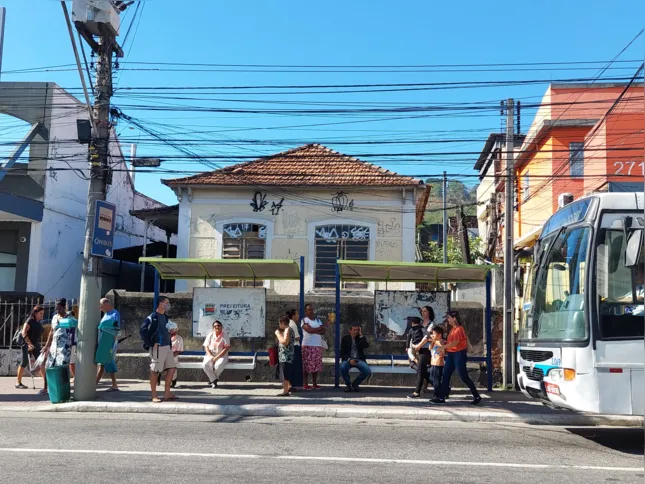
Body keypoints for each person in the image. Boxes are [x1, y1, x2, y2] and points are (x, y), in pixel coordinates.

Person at [431, 310, 482, 405]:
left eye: (449, 318)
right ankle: (441, 397)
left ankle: (476, 396)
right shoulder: (452, 330)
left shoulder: (459, 329)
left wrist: (443, 347)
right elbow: (451, 343)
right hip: (451, 354)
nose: (448, 320)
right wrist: (445, 343)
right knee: (446, 375)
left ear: (454, 318)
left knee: (463, 376)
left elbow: (456, 343)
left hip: (459, 354)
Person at [145, 296, 177, 403]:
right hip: (158, 347)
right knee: (155, 371)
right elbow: (143, 330)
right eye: (166, 302)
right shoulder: (153, 317)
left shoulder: (165, 317)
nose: (168, 305)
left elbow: (165, 329)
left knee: (171, 368)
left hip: (167, 346)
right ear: (160, 303)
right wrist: (150, 343)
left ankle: (167, 393)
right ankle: (154, 395)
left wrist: (171, 332)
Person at [43, 299, 73, 395]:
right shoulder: (55, 317)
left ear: (64, 307)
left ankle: (64, 389)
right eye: (57, 309)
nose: (58, 311)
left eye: (60, 308)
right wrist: (47, 346)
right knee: (49, 366)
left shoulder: (69, 317)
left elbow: (74, 331)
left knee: (62, 367)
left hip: (64, 347)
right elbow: (51, 332)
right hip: (54, 346)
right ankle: (46, 388)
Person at [15, 306, 45, 390]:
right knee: (24, 362)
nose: (42, 315)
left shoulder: (38, 322)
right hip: (26, 344)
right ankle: (18, 382)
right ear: (35, 313)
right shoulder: (29, 321)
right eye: (40, 313)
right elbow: (24, 333)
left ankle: (46, 383)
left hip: (36, 344)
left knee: (41, 361)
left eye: (43, 314)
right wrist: (29, 344)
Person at [96, 298, 121, 392]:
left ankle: (114, 385)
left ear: (106, 304)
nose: (100, 307)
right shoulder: (106, 314)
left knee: (108, 360)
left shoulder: (114, 314)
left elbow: (115, 327)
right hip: (104, 340)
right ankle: (95, 383)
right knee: (102, 362)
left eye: (101, 305)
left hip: (109, 340)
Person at [340, 323, 371, 392]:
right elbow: (342, 352)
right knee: (343, 367)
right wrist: (349, 359)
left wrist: (361, 335)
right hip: (348, 359)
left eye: (357, 330)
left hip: (359, 359)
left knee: (367, 371)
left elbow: (366, 346)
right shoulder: (345, 338)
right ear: (350, 331)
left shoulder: (360, 338)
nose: (356, 332)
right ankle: (348, 385)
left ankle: (355, 384)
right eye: (354, 330)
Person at [301, 303, 326, 390]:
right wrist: (318, 329)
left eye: (312, 310)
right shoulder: (304, 320)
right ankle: (305, 384)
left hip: (317, 345)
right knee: (306, 365)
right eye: (309, 310)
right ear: (306, 311)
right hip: (308, 345)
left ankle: (315, 383)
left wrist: (314, 330)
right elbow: (309, 330)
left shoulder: (318, 320)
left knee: (316, 365)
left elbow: (323, 331)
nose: (311, 311)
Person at [408, 316, 431, 399]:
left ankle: (417, 392)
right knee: (422, 371)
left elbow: (428, 336)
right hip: (419, 354)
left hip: (424, 352)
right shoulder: (412, 332)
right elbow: (409, 348)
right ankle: (442, 389)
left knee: (421, 371)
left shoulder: (422, 329)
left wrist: (418, 345)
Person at [202, 320, 230, 389]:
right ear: (213, 328)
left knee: (218, 365)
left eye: (218, 326)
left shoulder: (225, 335)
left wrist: (216, 357)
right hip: (210, 354)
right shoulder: (210, 335)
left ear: (221, 327)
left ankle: (213, 379)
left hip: (221, 355)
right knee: (205, 364)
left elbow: (226, 348)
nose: (217, 327)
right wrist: (211, 356)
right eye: (215, 326)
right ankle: (214, 380)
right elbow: (206, 346)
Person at [275, 316, 295, 396]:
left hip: (285, 356)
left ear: (283, 323)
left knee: (285, 373)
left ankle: (285, 391)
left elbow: (285, 342)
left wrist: (278, 334)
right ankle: (289, 387)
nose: (279, 325)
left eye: (279, 323)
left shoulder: (287, 330)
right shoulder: (290, 330)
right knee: (286, 372)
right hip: (288, 355)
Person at [286, 309, 303, 390]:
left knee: (290, 367)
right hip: (294, 347)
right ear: (293, 315)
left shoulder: (288, 323)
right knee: (294, 368)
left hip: (289, 348)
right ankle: (291, 385)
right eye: (297, 314)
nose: (298, 316)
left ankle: (289, 384)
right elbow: (297, 338)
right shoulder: (293, 324)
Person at [427, 326, 446, 401]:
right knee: (432, 378)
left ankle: (437, 395)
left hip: (438, 363)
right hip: (433, 362)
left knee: (436, 380)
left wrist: (441, 349)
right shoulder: (434, 341)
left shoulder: (441, 342)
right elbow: (430, 348)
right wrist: (433, 341)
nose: (433, 335)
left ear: (439, 335)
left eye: (434, 334)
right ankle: (442, 391)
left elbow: (443, 352)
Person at [168, 321, 184, 388]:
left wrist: (170, 357)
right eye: (170, 329)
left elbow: (178, 351)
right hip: (164, 355)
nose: (171, 330)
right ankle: (158, 379)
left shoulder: (179, 338)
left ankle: (173, 381)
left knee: (172, 365)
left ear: (176, 329)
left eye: (173, 329)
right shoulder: (165, 337)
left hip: (173, 355)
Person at [68, 305, 79, 379]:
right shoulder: (76, 322)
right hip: (75, 343)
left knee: (71, 362)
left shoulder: (70, 322)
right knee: (72, 362)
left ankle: (75, 377)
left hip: (71, 344)